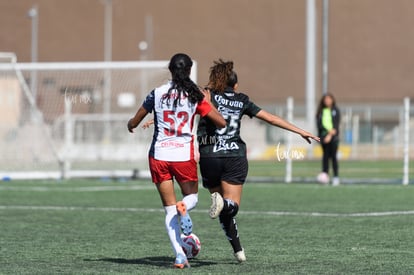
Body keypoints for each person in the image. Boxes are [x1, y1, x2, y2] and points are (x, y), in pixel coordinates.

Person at [197, 59, 320, 263]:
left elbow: (182, 110)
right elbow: (271, 118)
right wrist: (300, 131)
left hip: (209, 155)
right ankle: (227, 214)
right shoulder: (242, 99)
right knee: (230, 206)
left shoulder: (207, 95)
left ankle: (238, 251)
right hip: (234, 156)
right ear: (235, 85)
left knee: (222, 208)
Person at [127, 53, 226, 269]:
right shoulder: (194, 95)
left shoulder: (157, 93)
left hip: (159, 155)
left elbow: (136, 119)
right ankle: (185, 206)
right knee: (192, 198)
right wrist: (206, 105)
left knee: (169, 210)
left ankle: (180, 256)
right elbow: (220, 122)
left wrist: (131, 124)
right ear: (189, 71)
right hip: (183, 156)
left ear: (170, 70)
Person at [316, 93, 341, 186]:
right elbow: (320, 125)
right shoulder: (321, 111)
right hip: (323, 137)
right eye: (325, 99)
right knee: (325, 157)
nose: (327, 101)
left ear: (332, 100)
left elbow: (336, 125)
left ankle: (335, 177)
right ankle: (325, 175)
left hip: (333, 137)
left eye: (329, 99)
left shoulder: (335, 110)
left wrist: (330, 135)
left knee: (333, 157)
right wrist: (324, 136)